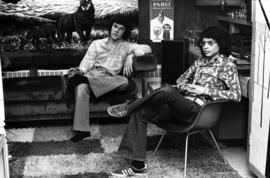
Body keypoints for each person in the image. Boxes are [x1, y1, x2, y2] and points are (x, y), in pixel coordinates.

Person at [108, 26, 242, 177]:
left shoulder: (228, 65)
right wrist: (190, 88)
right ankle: (138, 165)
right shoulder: (200, 62)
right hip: (181, 104)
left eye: (210, 43)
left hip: (199, 111)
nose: (205, 47)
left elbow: (236, 95)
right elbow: (180, 81)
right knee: (142, 112)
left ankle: (130, 106)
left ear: (221, 44)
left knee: (166, 89)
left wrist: (204, 91)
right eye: (203, 43)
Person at [68, 15, 152, 142]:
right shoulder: (97, 44)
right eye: (115, 26)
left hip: (111, 80)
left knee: (125, 82)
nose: (116, 30)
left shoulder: (127, 46)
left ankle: (85, 80)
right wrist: (81, 71)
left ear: (125, 31)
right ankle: (82, 131)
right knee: (81, 87)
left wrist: (131, 55)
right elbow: (87, 62)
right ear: (111, 26)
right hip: (94, 74)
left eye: (121, 28)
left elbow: (147, 48)